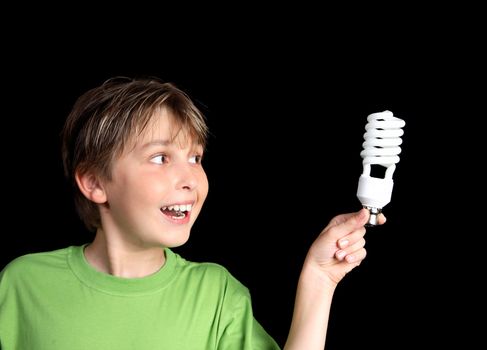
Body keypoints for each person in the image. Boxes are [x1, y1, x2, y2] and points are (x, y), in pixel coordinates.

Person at [0, 76, 385, 350]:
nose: (190, 179)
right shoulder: (21, 284)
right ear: (95, 183)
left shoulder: (216, 294)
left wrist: (319, 279)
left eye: (195, 157)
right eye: (160, 157)